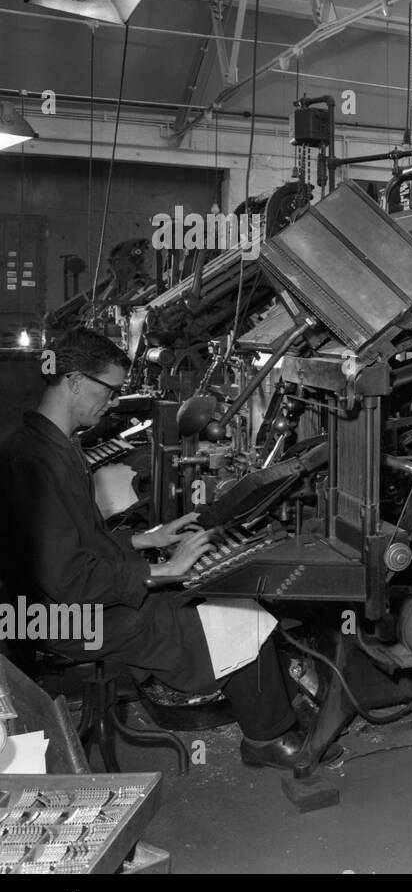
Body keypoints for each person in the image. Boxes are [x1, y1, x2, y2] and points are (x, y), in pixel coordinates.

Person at [0, 327, 311, 769]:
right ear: (74, 381)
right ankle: (268, 739)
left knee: (214, 592)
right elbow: (67, 578)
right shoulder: (32, 463)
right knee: (228, 611)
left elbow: (79, 541)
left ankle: (268, 718)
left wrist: (147, 539)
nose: (111, 402)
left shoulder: (50, 445)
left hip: (69, 605)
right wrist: (159, 573)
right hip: (65, 620)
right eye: (109, 391)